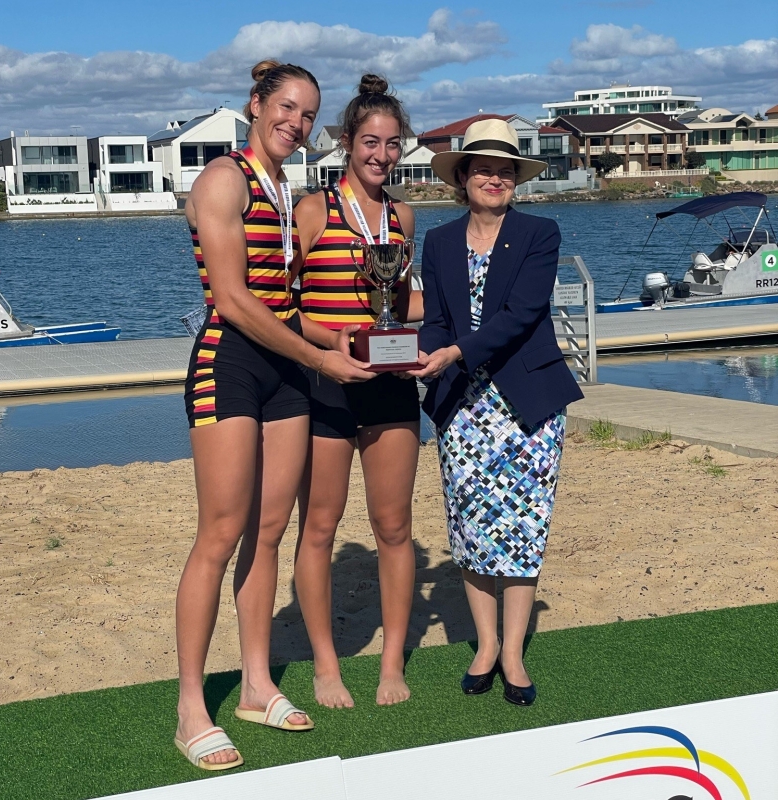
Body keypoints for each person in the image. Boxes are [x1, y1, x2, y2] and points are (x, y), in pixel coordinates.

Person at [175, 60, 374, 771]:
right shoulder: (223, 179)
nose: (296, 122)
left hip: (284, 366)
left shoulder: (287, 190)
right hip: (227, 364)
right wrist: (319, 360)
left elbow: (289, 306)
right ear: (255, 105)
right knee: (221, 533)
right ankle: (192, 706)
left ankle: (257, 686)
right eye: (286, 107)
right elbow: (231, 300)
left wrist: (345, 344)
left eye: (307, 114)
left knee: (267, 531)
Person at [409, 118, 583, 706]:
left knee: (523, 531)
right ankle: (485, 644)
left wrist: (455, 350)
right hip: (463, 408)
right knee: (471, 529)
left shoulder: (540, 232)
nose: (495, 178)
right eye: (483, 168)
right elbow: (435, 320)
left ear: (517, 180)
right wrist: (429, 356)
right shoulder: (436, 242)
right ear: (463, 177)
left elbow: (522, 315)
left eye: (505, 170)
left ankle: (513, 653)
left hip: (527, 408)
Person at [293, 75, 420, 708]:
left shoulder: (403, 216)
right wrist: (333, 340)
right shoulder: (312, 210)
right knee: (320, 525)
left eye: (393, 144)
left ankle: (392, 661)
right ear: (346, 142)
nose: (382, 155)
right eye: (370, 142)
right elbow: (281, 304)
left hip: (392, 382)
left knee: (394, 526)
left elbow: (401, 301)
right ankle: (324, 664)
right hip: (327, 382)